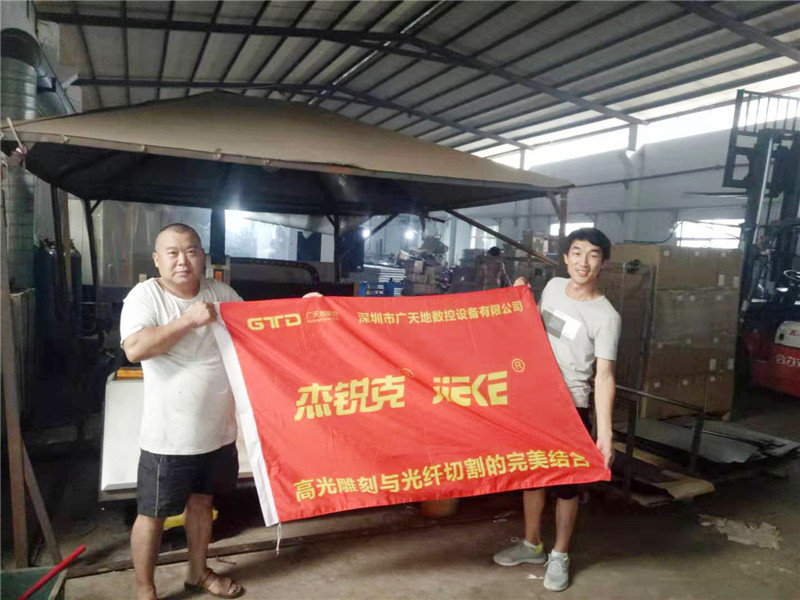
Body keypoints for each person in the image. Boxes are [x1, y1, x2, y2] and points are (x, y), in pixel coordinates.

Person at [120, 223, 244, 600]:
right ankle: (145, 591)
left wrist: (307, 308)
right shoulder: (145, 297)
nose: (182, 261)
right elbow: (135, 349)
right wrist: (189, 319)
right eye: (172, 253)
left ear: (202, 256)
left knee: (203, 504)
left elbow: (257, 326)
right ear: (157, 260)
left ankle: (197, 573)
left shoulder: (221, 293)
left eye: (190, 251)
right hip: (169, 437)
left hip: (217, 431)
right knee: (153, 514)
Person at [493, 227, 621, 593]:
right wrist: (519, 298)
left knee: (567, 486)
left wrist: (605, 434)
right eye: (577, 253)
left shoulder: (606, 316)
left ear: (602, 262)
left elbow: (604, 377)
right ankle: (532, 544)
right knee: (534, 475)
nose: (584, 262)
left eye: (593, 255)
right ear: (565, 258)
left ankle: (560, 554)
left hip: (571, 406)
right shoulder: (551, 288)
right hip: (535, 399)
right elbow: (533, 328)